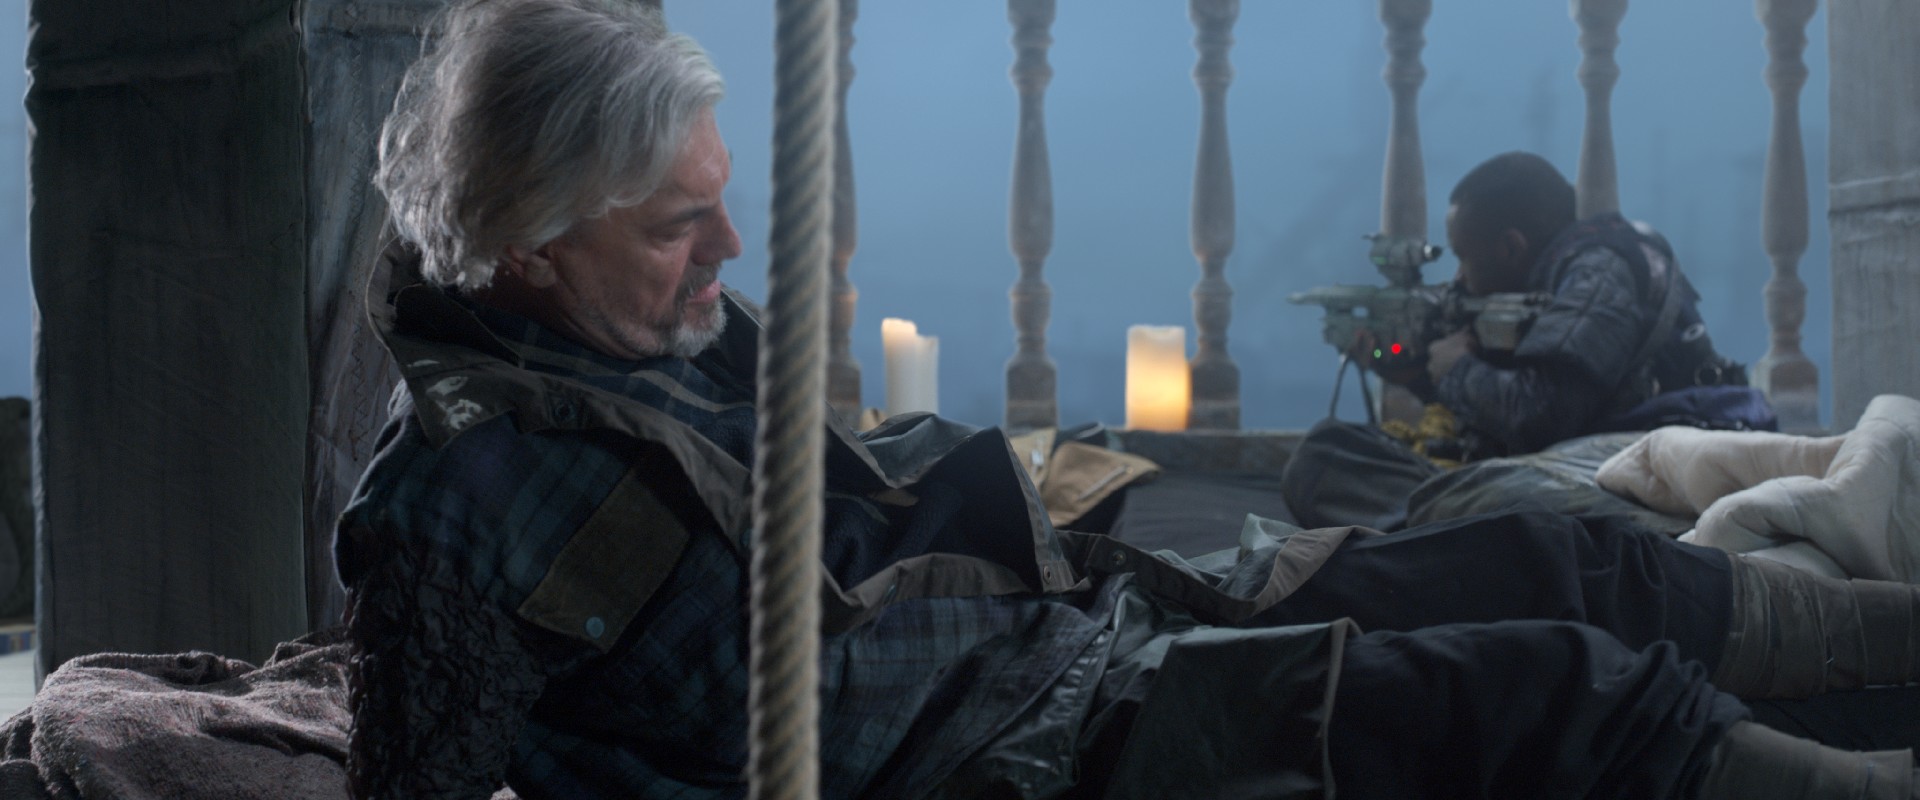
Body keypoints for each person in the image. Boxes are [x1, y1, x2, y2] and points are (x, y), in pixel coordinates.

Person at [338, 2, 1920, 797]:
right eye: (679, 224)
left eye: (722, 202)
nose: (732, 253)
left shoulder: (648, 336)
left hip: (1085, 612)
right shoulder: (463, 507)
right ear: (530, 242)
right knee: (1546, 688)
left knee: (1557, 555)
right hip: (1032, 741)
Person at [1281, 152, 1768, 530]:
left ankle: (1439, 537)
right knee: (1336, 454)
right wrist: (1414, 375)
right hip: (1606, 474)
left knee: (1329, 459)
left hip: (1635, 488)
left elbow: (1541, 416)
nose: (1459, 277)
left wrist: (1457, 371)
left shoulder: (1598, 274)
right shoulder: (1570, 274)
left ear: (1511, 247)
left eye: (1464, 257)